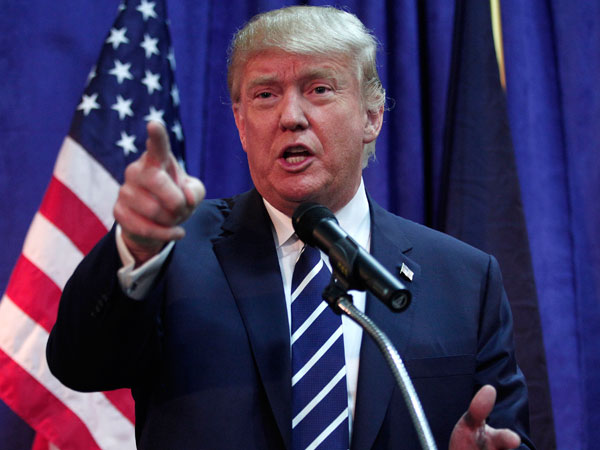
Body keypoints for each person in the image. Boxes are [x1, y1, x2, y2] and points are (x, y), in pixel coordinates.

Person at [47, 5, 535, 450]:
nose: (291, 117)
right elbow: (80, 365)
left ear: (372, 116)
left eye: (319, 89)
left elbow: (506, 432)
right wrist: (133, 249)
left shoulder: (466, 280)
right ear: (240, 124)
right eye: (265, 95)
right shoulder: (172, 249)